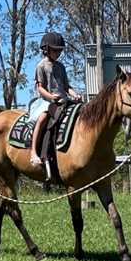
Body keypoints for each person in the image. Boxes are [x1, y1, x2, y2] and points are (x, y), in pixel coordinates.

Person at [29, 32, 82, 167]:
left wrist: (74, 94)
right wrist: (50, 96)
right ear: (46, 49)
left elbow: (66, 86)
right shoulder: (41, 66)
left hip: (63, 100)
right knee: (42, 119)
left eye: (59, 51)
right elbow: (39, 87)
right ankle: (34, 152)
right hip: (47, 101)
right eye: (55, 50)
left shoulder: (61, 66)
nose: (58, 53)